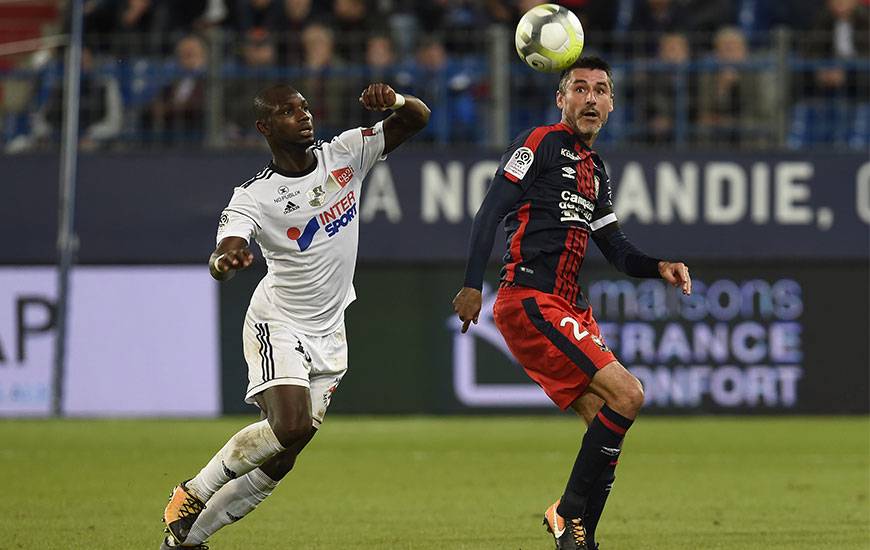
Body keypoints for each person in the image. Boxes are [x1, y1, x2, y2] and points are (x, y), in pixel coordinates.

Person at [160, 82, 429, 548]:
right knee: (291, 425)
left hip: (331, 333)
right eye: (288, 111)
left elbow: (418, 118)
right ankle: (193, 491)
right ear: (265, 127)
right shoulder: (254, 195)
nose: (303, 116)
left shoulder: (345, 154)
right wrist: (227, 261)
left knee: (283, 457)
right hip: (278, 324)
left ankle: (183, 542)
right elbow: (224, 251)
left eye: (304, 107)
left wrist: (398, 102)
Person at [452, 56, 691, 550]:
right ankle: (566, 515)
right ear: (561, 100)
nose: (591, 97)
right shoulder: (539, 143)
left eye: (600, 90)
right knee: (629, 394)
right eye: (579, 88)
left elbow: (617, 250)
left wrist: (659, 266)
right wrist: (473, 283)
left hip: (568, 304)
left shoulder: (596, 170)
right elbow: (490, 210)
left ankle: (579, 537)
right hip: (530, 298)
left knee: (604, 420)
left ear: (611, 104)